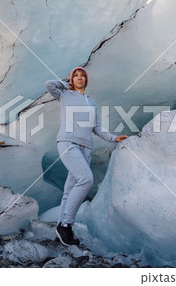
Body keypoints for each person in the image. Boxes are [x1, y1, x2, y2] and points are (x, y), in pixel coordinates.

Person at [45, 67, 128, 246]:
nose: (80, 77)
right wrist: (65, 84)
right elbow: (49, 84)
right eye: (76, 75)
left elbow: (96, 127)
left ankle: (60, 233)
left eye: (82, 75)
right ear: (72, 80)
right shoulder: (65, 95)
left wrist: (114, 137)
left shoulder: (91, 102)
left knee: (69, 190)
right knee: (86, 179)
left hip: (86, 149)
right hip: (68, 143)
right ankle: (66, 225)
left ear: (86, 80)